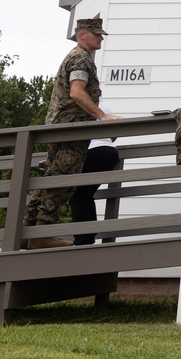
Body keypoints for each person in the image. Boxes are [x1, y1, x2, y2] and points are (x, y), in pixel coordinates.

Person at [22, 17, 122, 249]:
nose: (101, 38)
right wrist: (102, 115)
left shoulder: (76, 56)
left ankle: (28, 231)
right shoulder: (80, 58)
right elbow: (77, 92)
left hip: (61, 129)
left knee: (52, 177)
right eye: (97, 34)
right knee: (62, 183)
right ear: (82, 35)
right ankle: (40, 234)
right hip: (70, 131)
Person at [69, 114, 120, 245]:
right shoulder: (105, 108)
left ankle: (84, 239)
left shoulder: (78, 107)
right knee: (86, 195)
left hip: (91, 151)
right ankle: (89, 235)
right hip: (110, 152)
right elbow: (113, 136)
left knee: (78, 196)